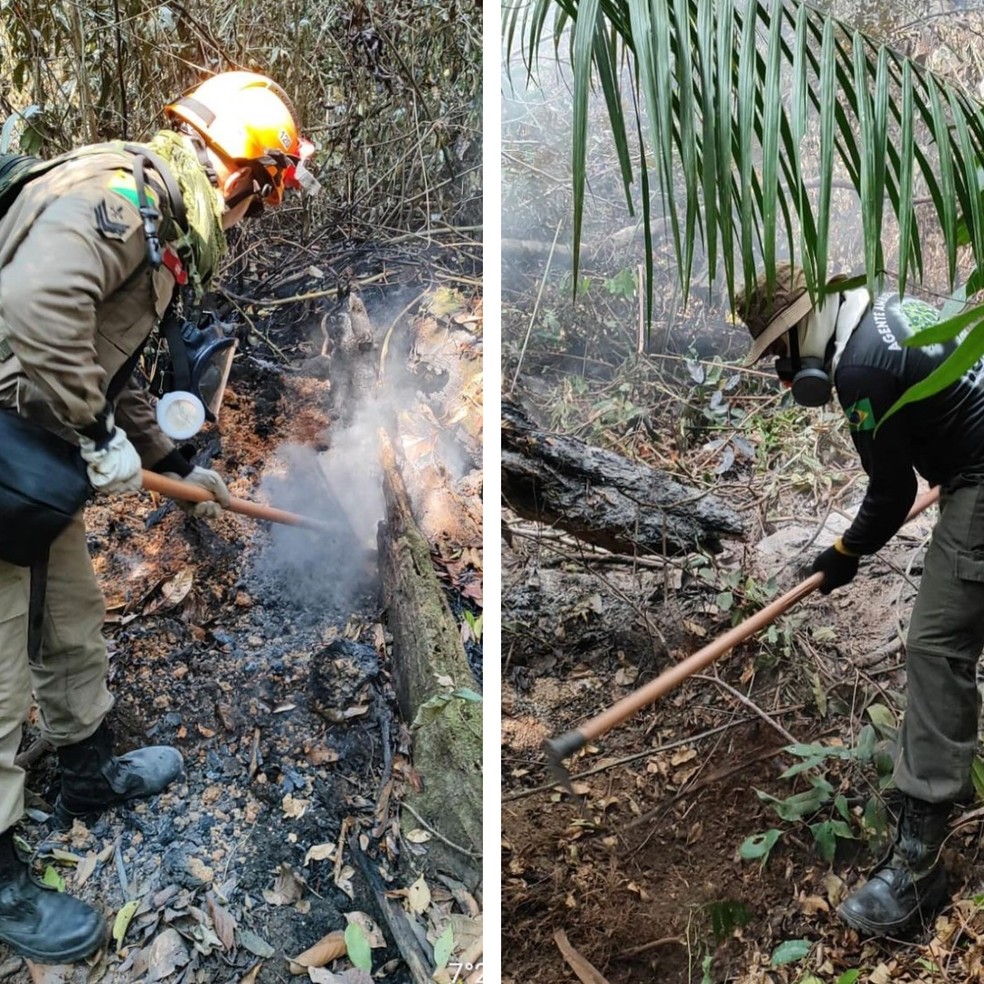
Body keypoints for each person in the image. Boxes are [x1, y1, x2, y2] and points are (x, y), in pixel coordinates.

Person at [0, 71, 313, 963]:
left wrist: (176, 460)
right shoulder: (112, 199)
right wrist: (100, 436)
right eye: (268, 194)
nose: (258, 216)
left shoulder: (157, 223)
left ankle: (88, 770)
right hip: (12, 440)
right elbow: (33, 310)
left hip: (35, 448)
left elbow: (117, 364)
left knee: (69, 623)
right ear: (245, 175)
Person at [737, 262, 984, 939]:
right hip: (973, 467)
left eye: (782, 352)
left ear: (805, 327)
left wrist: (843, 555)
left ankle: (919, 866)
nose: (784, 372)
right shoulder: (892, 312)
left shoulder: (860, 371)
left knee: (936, 647)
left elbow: (891, 494)